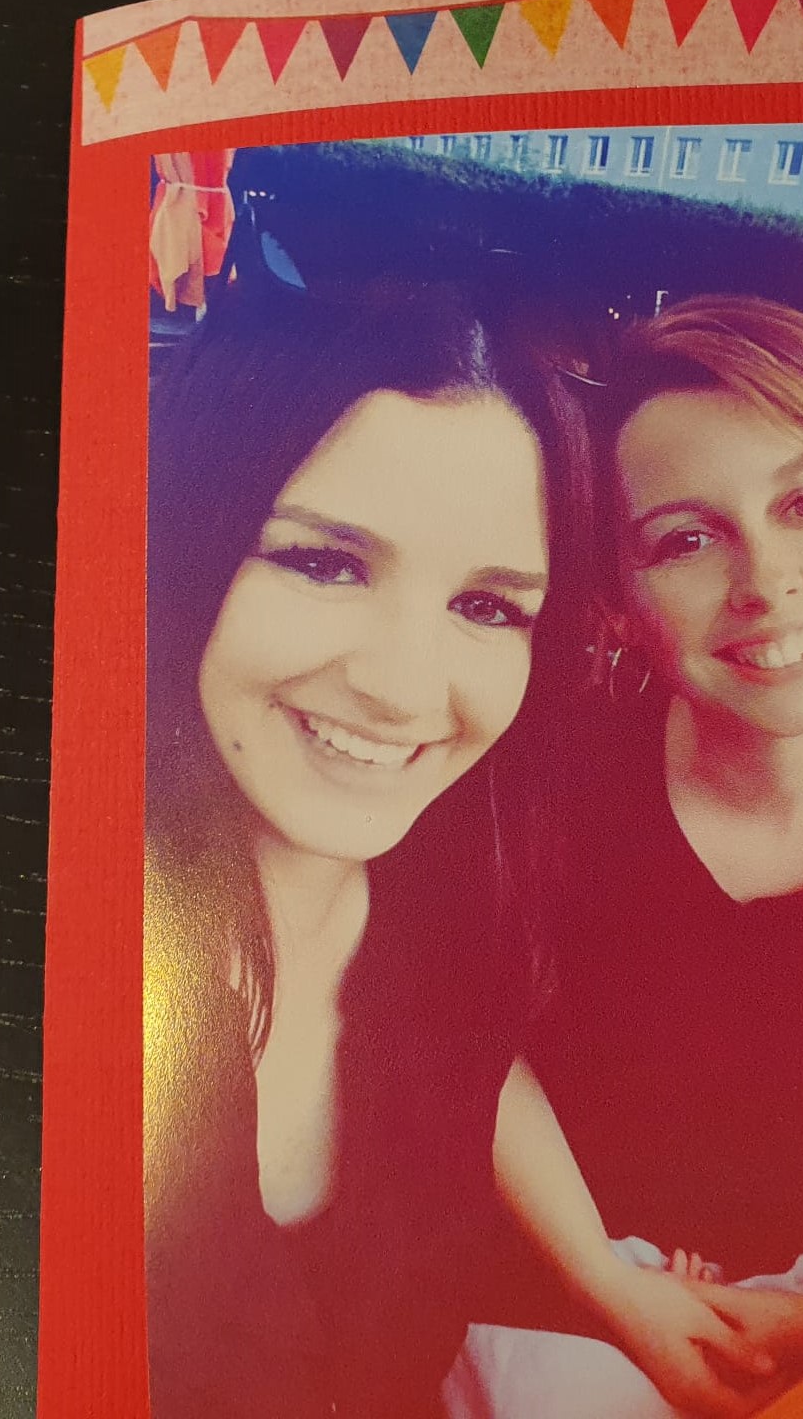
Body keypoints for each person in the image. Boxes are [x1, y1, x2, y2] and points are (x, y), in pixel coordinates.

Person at [453, 295, 803, 1417]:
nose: (766, 582)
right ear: (617, 601)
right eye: (686, 539)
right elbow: (474, 1042)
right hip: (557, 1279)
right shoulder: (549, 784)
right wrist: (610, 1288)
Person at [142, 276, 592, 1418]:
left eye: (487, 607)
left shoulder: (454, 937)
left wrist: (621, 1287)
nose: (401, 686)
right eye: (324, 562)